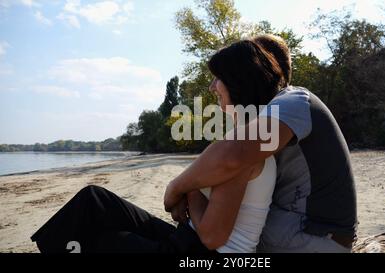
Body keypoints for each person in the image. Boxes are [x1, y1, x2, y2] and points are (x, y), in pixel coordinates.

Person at [30, 39, 283, 253]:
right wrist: (189, 188)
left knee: (103, 241)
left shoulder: (245, 147)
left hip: (205, 253)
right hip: (189, 240)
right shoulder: (246, 138)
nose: (212, 86)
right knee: (94, 199)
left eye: (218, 78)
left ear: (238, 83)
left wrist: (191, 189)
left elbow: (213, 236)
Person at [164, 34, 358, 253]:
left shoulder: (294, 100)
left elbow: (233, 155)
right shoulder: (265, 116)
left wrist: (177, 187)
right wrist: (190, 190)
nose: (211, 86)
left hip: (312, 238)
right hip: (299, 233)